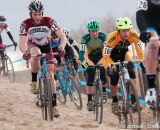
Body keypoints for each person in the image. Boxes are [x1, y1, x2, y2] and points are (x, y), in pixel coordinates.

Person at [19, 0, 67, 117]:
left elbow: (62, 37)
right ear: (31, 14)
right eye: (35, 14)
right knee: (35, 55)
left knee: (51, 75)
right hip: (33, 44)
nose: (37, 16)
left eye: (39, 14)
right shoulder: (25, 24)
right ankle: (34, 81)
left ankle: (54, 105)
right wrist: (24, 52)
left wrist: (61, 46)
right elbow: (21, 43)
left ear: (42, 13)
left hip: (46, 45)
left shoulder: (49, 21)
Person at [102, 17, 144, 115]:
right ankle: (115, 100)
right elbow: (105, 55)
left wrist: (142, 59)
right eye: (124, 31)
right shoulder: (112, 37)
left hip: (124, 55)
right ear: (118, 30)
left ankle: (134, 101)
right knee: (114, 78)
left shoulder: (133, 34)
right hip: (111, 58)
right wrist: (110, 65)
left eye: (128, 30)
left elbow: (139, 47)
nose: (127, 33)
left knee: (132, 73)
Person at [136, 0, 160, 107]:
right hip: (150, 24)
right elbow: (140, 13)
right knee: (153, 45)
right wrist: (142, 31)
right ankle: (151, 88)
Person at [79, 20, 107, 111]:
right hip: (89, 57)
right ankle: (90, 101)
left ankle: (104, 92)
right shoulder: (85, 38)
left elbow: (107, 47)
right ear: (89, 31)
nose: (94, 33)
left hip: (100, 57)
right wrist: (83, 62)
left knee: (103, 69)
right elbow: (81, 52)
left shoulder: (103, 36)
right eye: (92, 31)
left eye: (96, 31)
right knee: (90, 72)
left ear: (98, 31)